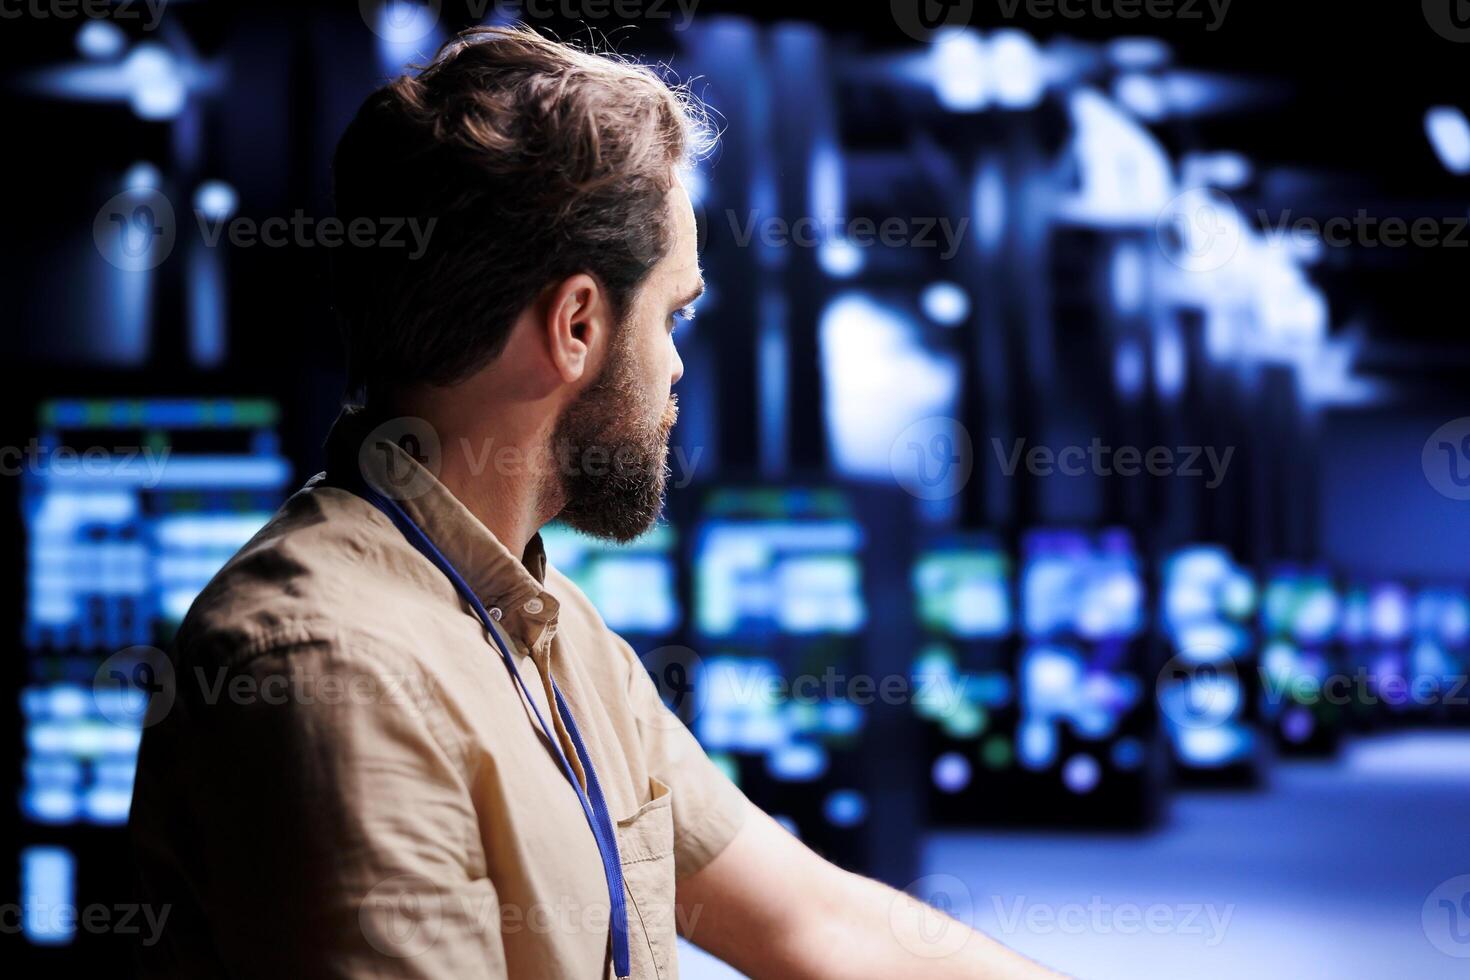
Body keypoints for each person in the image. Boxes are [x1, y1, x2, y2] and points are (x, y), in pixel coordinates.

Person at [128, 25, 1066, 979]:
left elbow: (819, 925)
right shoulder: (337, 668)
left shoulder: (553, 630)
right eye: (674, 313)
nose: (675, 365)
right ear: (578, 324)